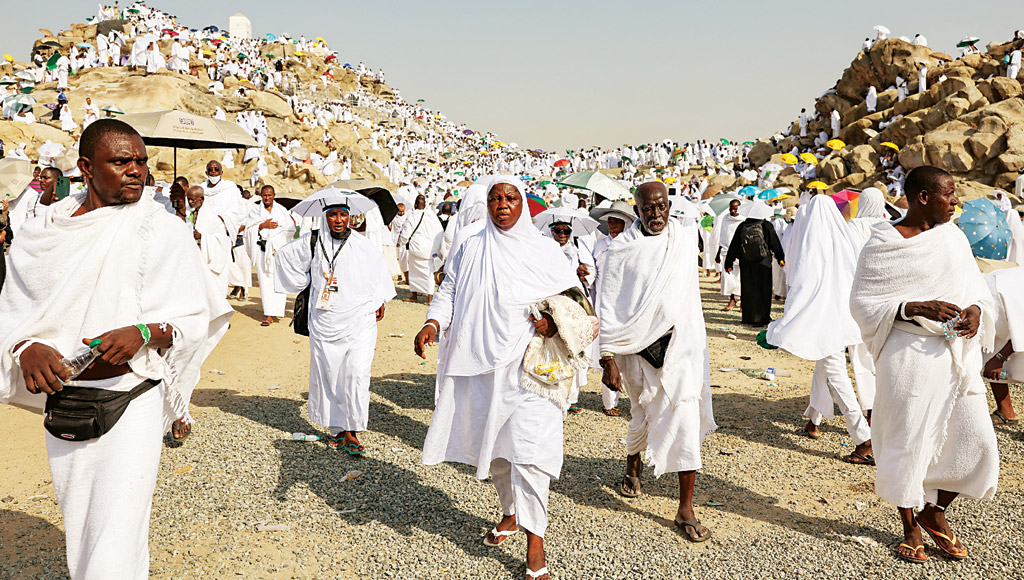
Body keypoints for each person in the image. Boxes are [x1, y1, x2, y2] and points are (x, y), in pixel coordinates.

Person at [0, 119, 231, 579]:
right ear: (86, 167)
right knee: (83, 522)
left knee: (116, 532)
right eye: (122, 161)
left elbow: (193, 318)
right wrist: (24, 348)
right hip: (65, 401)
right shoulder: (43, 231)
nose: (136, 170)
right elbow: (15, 312)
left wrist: (143, 333)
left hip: (132, 396)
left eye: (141, 161)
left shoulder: (161, 229)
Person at [416, 177, 581, 580]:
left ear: (522, 205)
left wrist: (552, 323)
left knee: (531, 453)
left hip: (531, 368)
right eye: (494, 198)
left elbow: (576, 299)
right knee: (498, 453)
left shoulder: (544, 250)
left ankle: (535, 544)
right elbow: (450, 290)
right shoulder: (471, 245)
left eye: (510, 198)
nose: (502, 204)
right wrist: (433, 323)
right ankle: (511, 512)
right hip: (483, 367)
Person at [850, 166, 998, 564]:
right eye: (949, 195)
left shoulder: (953, 238)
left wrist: (975, 311)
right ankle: (909, 526)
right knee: (908, 439)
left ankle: (935, 510)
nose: (955, 202)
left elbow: (976, 289)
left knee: (978, 440)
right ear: (923, 198)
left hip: (955, 355)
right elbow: (862, 303)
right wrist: (913, 306)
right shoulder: (882, 242)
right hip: (907, 354)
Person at [597, 182, 715, 542]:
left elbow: (688, 298)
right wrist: (607, 357)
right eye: (648, 208)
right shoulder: (621, 249)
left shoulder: (683, 239)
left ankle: (685, 509)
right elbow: (608, 303)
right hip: (636, 350)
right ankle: (633, 463)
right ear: (637, 210)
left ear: (669, 206)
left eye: (661, 206)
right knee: (641, 413)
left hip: (680, 347)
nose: (656, 214)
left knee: (685, 417)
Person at [275, 198, 395, 453]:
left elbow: (378, 272)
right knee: (330, 375)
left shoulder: (362, 244)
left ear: (349, 216)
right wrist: (305, 281)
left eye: (343, 214)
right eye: (333, 215)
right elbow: (284, 257)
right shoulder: (312, 241)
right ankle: (338, 429)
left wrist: (380, 299)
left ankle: (352, 430)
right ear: (325, 217)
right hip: (325, 321)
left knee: (356, 375)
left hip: (360, 320)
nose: (338, 220)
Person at [766, 196, 873, 463]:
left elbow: (804, 287)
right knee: (824, 368)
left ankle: (863, 438)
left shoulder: (813, 245)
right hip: (844, 318)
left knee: (836, 374)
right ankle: (813, 419)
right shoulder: (844, 241)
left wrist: (781, 327)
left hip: (824, 322)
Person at [587, 201, 635, 417]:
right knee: (607, 355)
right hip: (604, 307)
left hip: (627, 307)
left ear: (626, 223)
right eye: (610, 221)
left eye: (617, 221)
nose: (613, 225)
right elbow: (593, 274)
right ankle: (609, 403)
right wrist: (585, 273)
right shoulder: (600, 246)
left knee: (630, 355)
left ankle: (636, 401)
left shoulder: (633, 245)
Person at [724, 203, 785, 326]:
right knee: (764, 289)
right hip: (764, 262)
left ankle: (748, 317)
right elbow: (775, 243)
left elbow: (734, 245)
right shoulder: (766, 226)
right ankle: (763, 317)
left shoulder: (742, 226)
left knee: (748, 289)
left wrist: (728, 263)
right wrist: (780, 258)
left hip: (746, 262)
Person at [245, 185, 295, 326]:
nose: (267, 198)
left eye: (269, 195)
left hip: (277, 251)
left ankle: (277, 310)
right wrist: (262, 225)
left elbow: (290, 229)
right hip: (263, 250)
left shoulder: (282, 211)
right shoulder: (255, 211)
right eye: (264, 195)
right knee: (265, 282)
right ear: (261, 196)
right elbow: (248, 230)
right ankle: (268, 314)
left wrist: (276, 236)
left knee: (278, 280)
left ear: (274, 195)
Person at [982, 266, 1024, 425]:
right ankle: (1006, 412)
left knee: (994, 355)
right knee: (989, 349)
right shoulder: (985, 287)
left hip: (1004, 296)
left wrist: (999, 358)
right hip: (998, 296)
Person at [398, 194, 443, 303]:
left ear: (415, 205)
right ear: (425, 204)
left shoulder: (412, 216)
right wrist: (438, 249)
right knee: (429, 274)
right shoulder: (432, 216)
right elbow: (440, 232)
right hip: (430, 250)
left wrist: (400, 243)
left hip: (416, 249)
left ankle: (414, 296)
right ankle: (430, 298)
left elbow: (405, 234)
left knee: (414, 273)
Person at [711, 199, 743, 309]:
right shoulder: (725, 218)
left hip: (740, 253)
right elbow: (722, 236)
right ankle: (732, 299)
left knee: (741, 278)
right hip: (726, 252)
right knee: (728, 278)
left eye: (735, 209)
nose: (732, 211)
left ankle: (743, 301)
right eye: (731, 209)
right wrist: (718, 253)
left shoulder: (743, 219)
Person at [228, 189, 256, 299]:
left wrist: (239, 228)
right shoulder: (229, 204)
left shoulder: (247, 205)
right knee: (233, 265)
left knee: (244, 265)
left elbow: (249, 221)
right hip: (230, 238)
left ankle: (243, 289)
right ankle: (237, 285)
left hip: (242, 238)